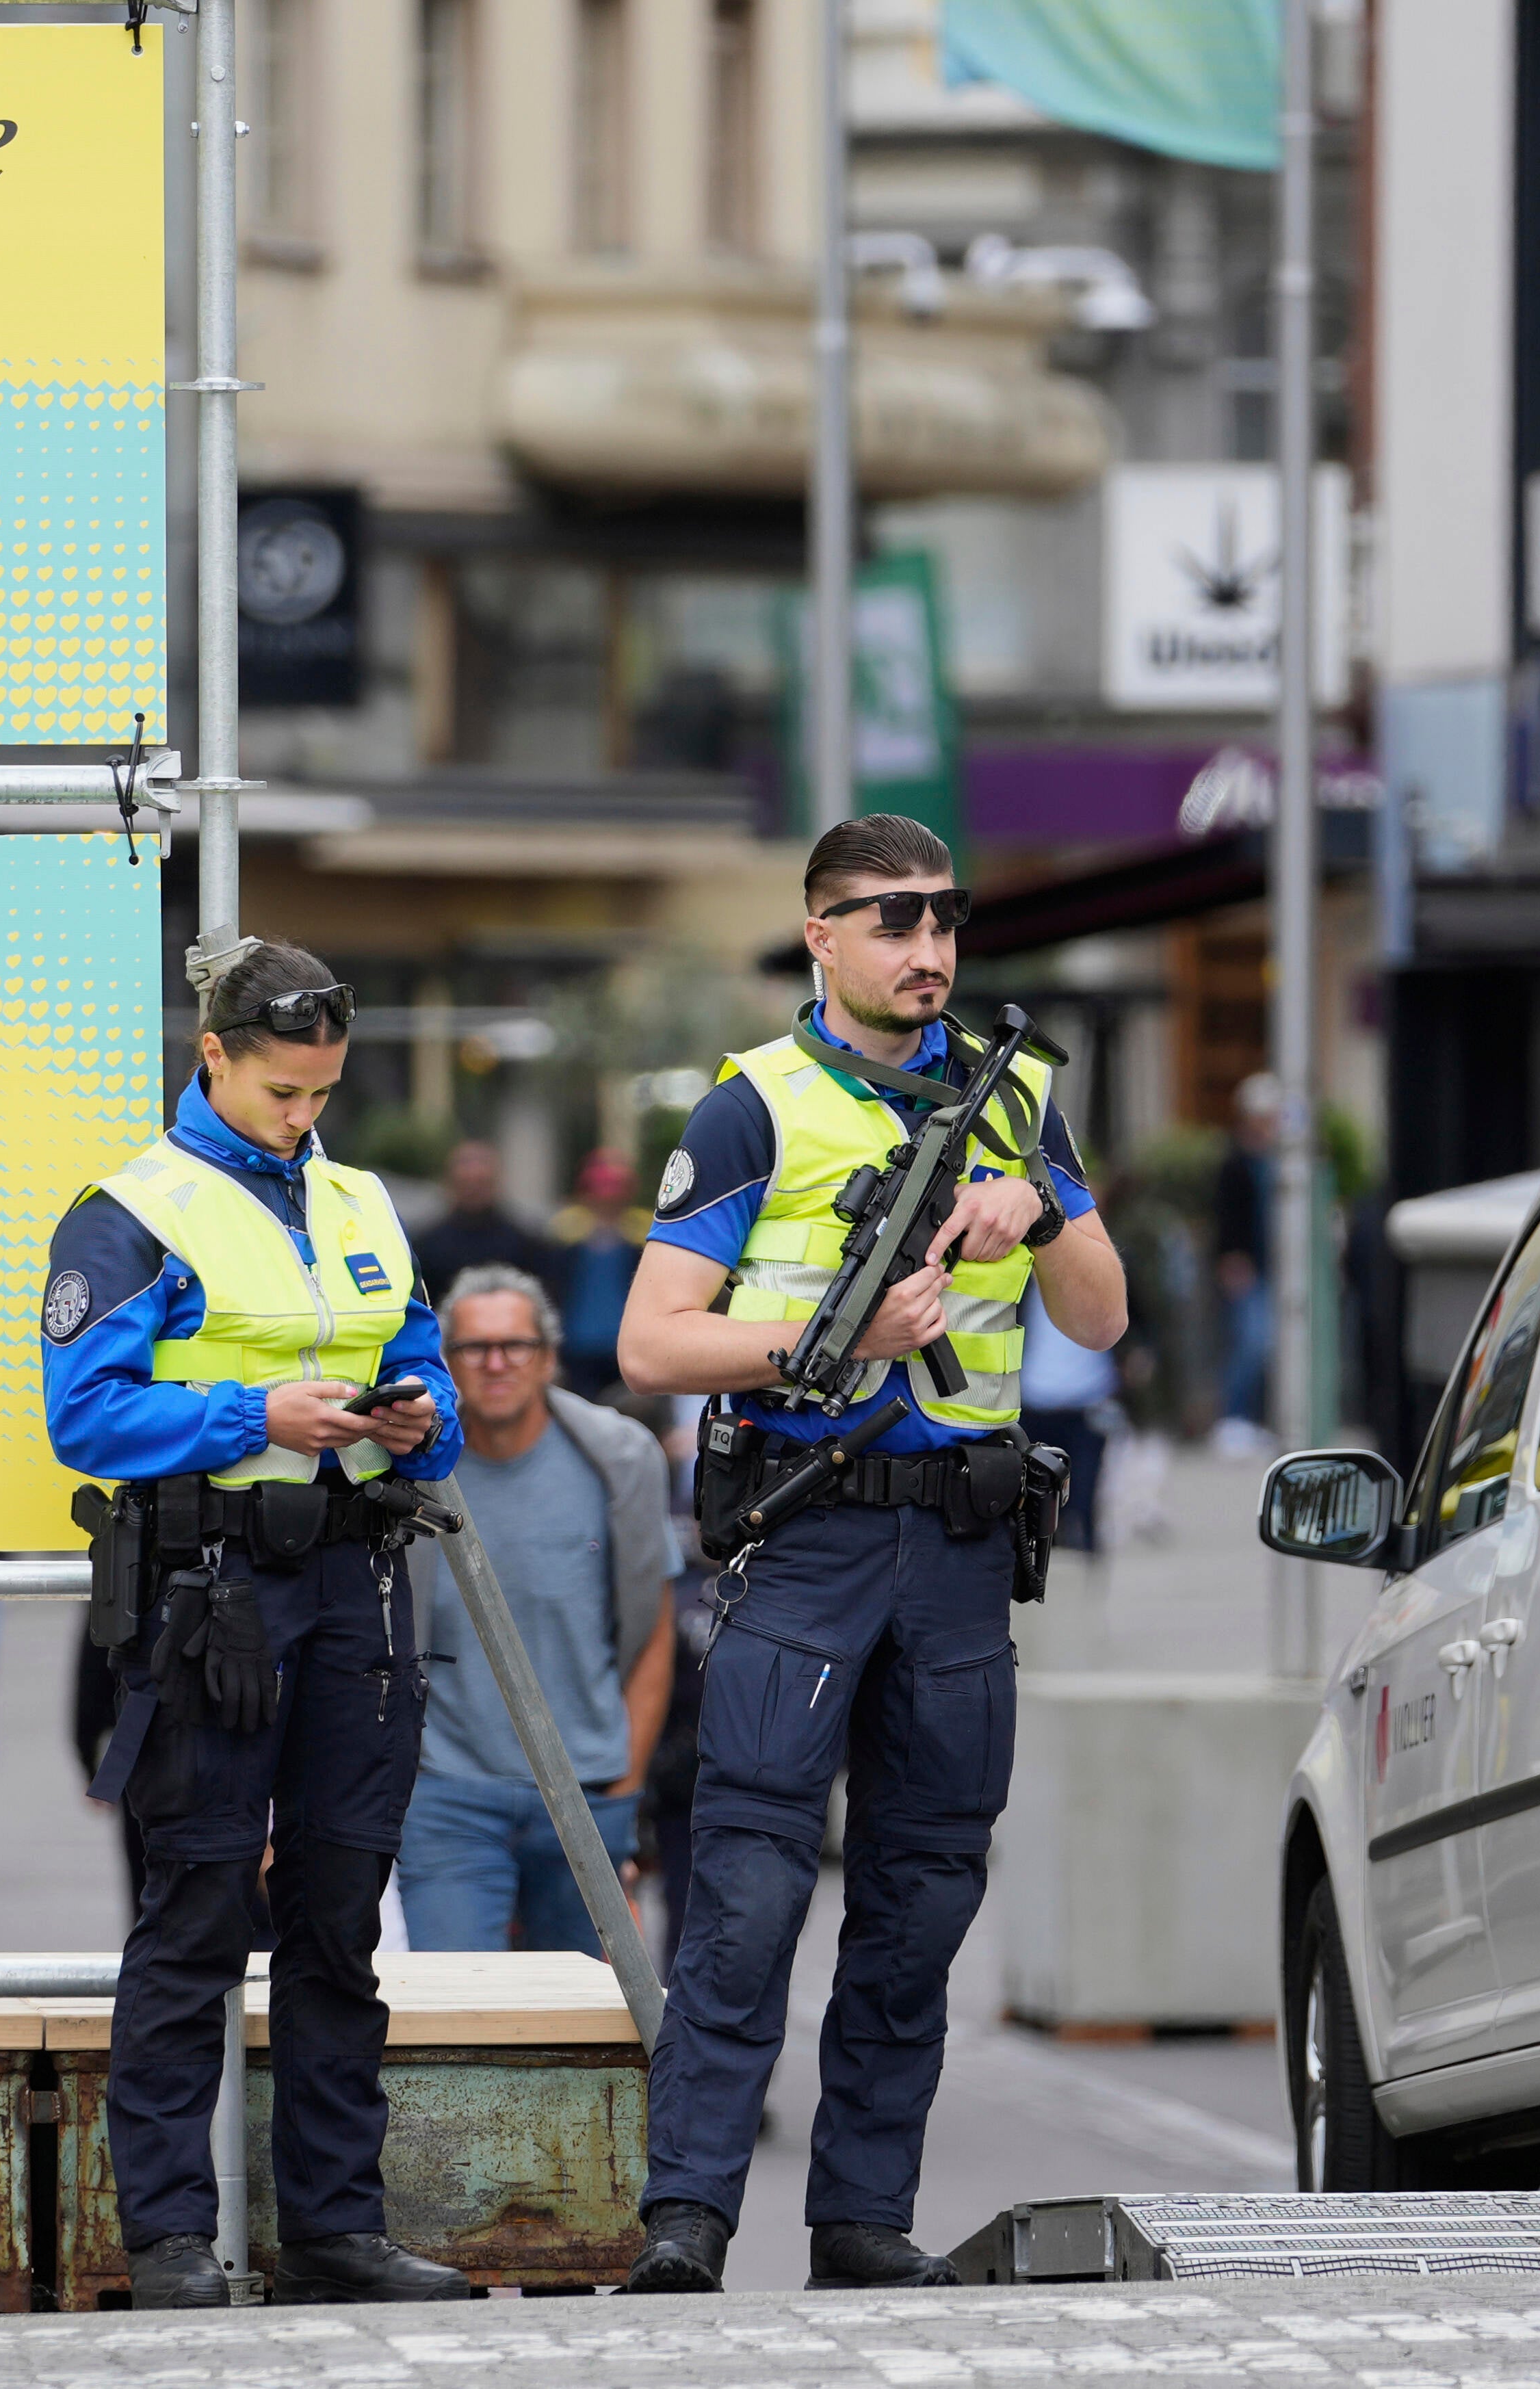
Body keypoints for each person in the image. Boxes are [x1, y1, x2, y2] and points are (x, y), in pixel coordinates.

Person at [611, 814, 1129, 2294]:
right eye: (890, 920)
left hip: (961, 1549)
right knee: (750, 1887)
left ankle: (860, 2217)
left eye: (944, 920)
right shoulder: (753, 1106)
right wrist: (825, 1339)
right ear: (820, 934)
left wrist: (1042, 1203)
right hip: (809, 1531)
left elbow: (1096, 1317)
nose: (926, 949)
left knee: (921, 1896)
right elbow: (654, 1338)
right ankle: (688, 2216)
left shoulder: (1017, 1090)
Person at [40, 937, 471, 2309]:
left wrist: (417, 1414)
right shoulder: (130, 1210)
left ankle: (335, 2227)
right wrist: (254, 1418)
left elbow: (425, 1371)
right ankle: (169, 2234)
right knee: (198, 1905)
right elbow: (86, 1414)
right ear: (212, 1052)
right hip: (211, 1593)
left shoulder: (357, 1198)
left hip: (356, 1582)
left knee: (341, 1915)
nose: (306, 1114)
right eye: (283, 1089)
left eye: (324, 1089)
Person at [395, 1265, 675, 1955]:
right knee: (449, 2024)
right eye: (472, 1347)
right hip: (446, 1796)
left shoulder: (618, 1457)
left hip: (586, 1791)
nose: (495, 1362)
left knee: (585, 2036)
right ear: (442, 1362)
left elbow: (652, 1631)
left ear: (549, 1356)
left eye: (514, 1344)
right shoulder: (402, 1467)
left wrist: (627, 1782)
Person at [1017, 1289, 1118, 1557]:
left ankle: (1086, 1573)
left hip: (1088, 1403)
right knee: (1033, 1508)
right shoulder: (1021, 1278)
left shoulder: (1099, 1273)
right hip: (1032, 1403)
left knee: (1083, 1501)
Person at [1210, 1071, 1280, 1451]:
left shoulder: (1274, 1160)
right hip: (1247, 1267)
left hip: (1271, 1268)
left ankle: (1249, 1420)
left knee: (1264, 1344)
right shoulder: (1235, 1162)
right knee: (1249, 1342)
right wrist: (1231, 1259)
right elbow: (1227, 1217)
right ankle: (1233, 1420)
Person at [545, 1150, 646, 1399]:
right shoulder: (566, 1230)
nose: (608, 1203)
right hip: (578, 1341)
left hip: (624, 1340)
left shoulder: (640, 1231)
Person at [413, 1138, 549, 1302]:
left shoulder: (528, 1244)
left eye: (481, 1183)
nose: (473, 1190)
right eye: (466, 1183)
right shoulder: (425, 1245)